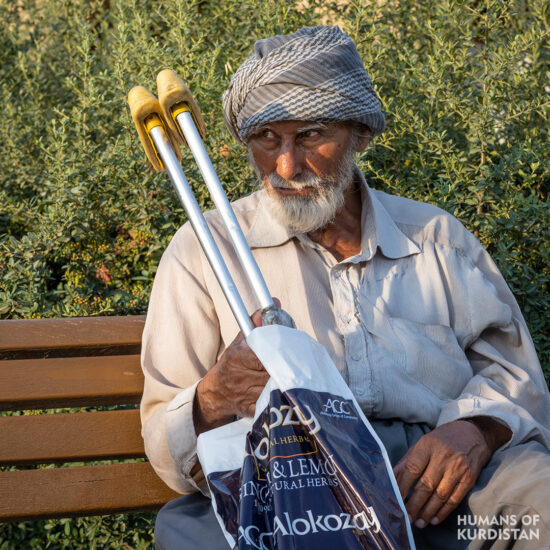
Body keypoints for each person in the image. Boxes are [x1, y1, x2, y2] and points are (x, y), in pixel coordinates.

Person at [141, 26, 550, 549]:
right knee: (189, 535)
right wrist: (215, 396)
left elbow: (514, 374)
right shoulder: (204, 248)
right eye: (267, 138)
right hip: (292, 488)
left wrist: (476, 430)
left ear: (360, 134)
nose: (286, 165)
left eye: (311, 135)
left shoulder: (436, 238)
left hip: (436, 490)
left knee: (539, 505)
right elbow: (164, 439)